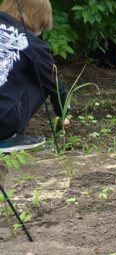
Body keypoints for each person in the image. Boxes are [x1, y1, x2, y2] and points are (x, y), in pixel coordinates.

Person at [0, 0, 69, 152]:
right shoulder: (31, 43)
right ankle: (7, 139)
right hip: (3, 121)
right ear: (35, 18)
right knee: (41, 77)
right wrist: (62, 113)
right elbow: (54, 84)